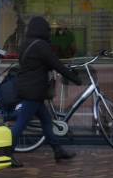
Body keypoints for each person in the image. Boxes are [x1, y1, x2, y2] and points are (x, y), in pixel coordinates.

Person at [10, 16, 81, 166]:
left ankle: (58, 150)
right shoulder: (40, 46)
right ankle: (6, 154)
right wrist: (75, 78)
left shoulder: (26, 44)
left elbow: (37, 64)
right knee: (21, 124)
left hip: (29, 88)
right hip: (33, 92)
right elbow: (56, 64)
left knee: (46, 121)